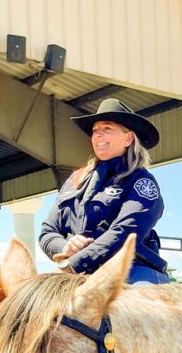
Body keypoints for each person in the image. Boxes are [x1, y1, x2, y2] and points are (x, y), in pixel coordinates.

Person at [39, 98, 170, 283]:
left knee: (133, 307)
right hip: (77, 272)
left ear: (128, 138)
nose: (98, 136)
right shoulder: (74, 181)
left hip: (131, 271)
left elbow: (125, 232)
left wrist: (74, 263)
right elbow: (48, 231)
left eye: (107, 129)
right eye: (95, 131)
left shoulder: (141, 181)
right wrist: (65, 247)